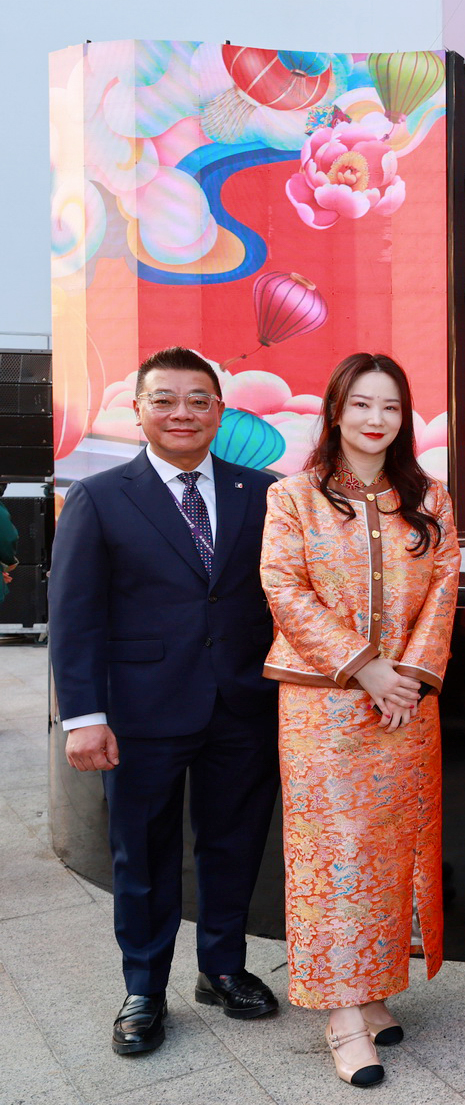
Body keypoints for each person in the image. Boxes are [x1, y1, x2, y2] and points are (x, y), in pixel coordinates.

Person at [50, 346, 282, 1058]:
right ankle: (144, 987)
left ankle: (221, 967)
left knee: (233, 842)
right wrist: (84, 717)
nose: (183, 412)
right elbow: (75, 614)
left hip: (242, 707)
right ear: (140, 410)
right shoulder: (100, 496)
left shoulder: (267, 491)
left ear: (220, 410)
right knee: (142, 855)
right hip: (140, 713)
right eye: (166, 399)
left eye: (198, 400)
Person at [261, 353, 459, 1088]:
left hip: (406, 704)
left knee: (389, 852)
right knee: (334, 856)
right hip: (322, 706)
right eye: (363, 405)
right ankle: (342, 1012)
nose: (376, 420)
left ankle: (371, 987)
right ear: (336, 411)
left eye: (392, 408)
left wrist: (405, 676)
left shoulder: (429, 497)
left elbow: (442, 588)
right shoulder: (296, 497)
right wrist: (364, 667)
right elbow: (283, 586)